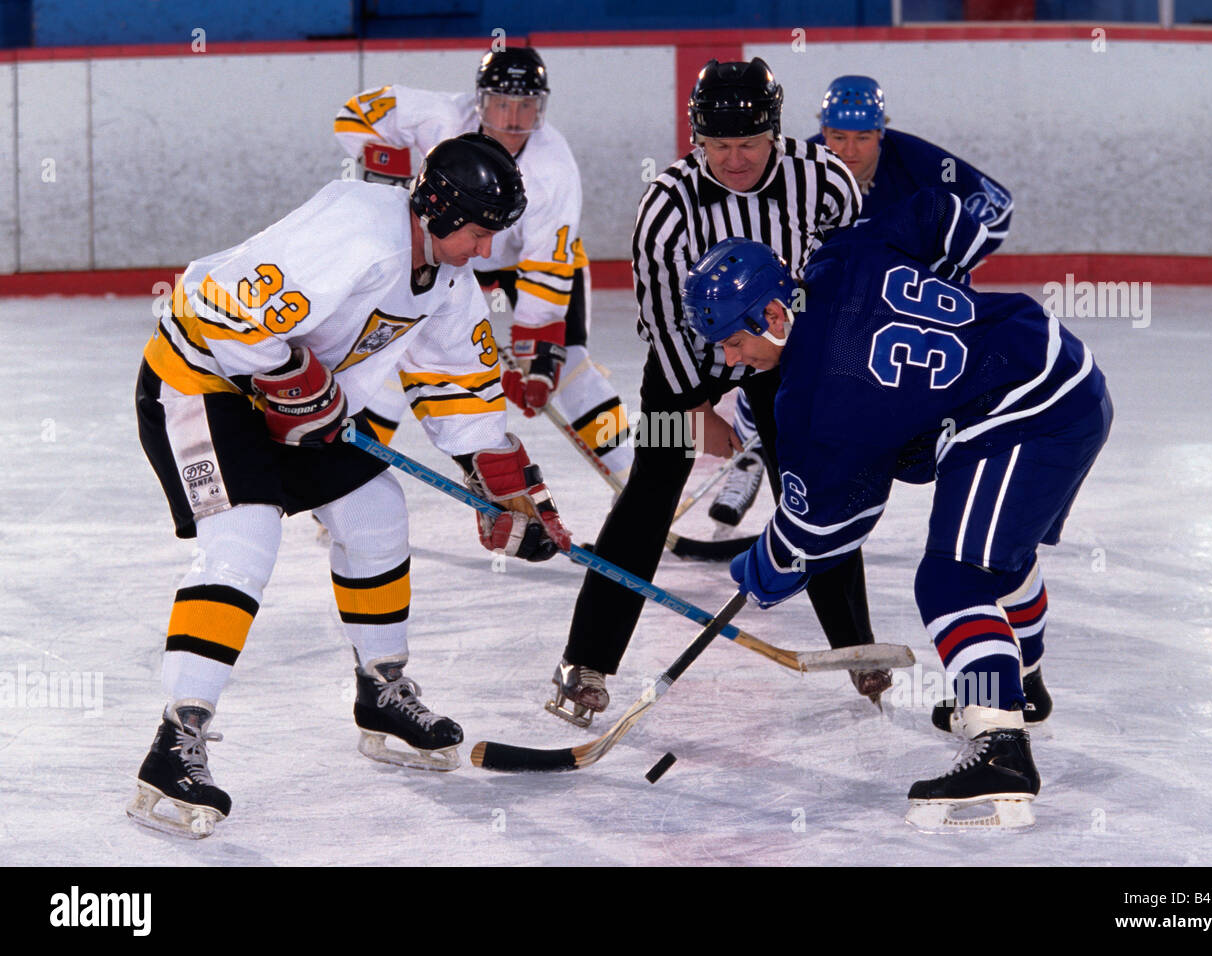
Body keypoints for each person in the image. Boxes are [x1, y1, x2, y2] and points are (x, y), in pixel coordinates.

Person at [128, 133, 571, 839]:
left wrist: (506, 485)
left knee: (375, 513)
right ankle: (175, 739)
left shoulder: (450, 280)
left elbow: (459, 386)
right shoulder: (359, 226)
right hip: (201, 381)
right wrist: (285, 375)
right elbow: (217, 305)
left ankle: (381, 689)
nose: (485, 250)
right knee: (244, 540)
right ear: (436, 208)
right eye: (479, 233)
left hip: (298, 403)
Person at [682, 191, 1112, 829]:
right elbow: (944, 215)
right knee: (1003, 557)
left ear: (774, 313)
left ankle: (1002, 747)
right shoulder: (842, 256)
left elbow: (826, 529)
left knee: (953, 577)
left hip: (1021, 413)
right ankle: (1022, 686)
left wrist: (766, 568)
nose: (730, 358)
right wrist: (948, 313)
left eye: (734, 341)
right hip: (1063, 368)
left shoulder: (815, 402)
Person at [547, 57, 875, 729]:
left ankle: (856, 645)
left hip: (787, 360)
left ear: (776, 133)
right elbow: (663, 321)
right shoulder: (667, 205)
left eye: (748, 144)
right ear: (696, 139)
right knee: (649, 492)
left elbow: (854, 279)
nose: (733, 159)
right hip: (686, 371)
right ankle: (586, 663)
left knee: (815, 488)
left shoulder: (826, 185)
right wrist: (699, 412)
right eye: (717, 146)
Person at [713, 74, 1015, 532]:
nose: (849, 151)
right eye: (837, 137)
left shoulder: (916, 160)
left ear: (882, 133)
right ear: (822, 132)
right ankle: (752, 457)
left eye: (863, 138)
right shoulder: (800, 165)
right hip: (826, 293)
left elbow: (996, 207)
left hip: (894, 299)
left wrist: (948, 267)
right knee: (771, 347)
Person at [333, 46, 633, 481]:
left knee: (570, 365)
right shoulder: (440, 116)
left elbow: (546, 263)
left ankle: (637, 479)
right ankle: (350, 479)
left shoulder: (555, 165)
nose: (513, 119)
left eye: (526, 105)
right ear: (479, 101)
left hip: (521, 263)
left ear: (541, 106)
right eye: (502, 104)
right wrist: (391, 168)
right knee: (396, 353)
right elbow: (355, 114)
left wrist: (539, 359)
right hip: (453, 249)